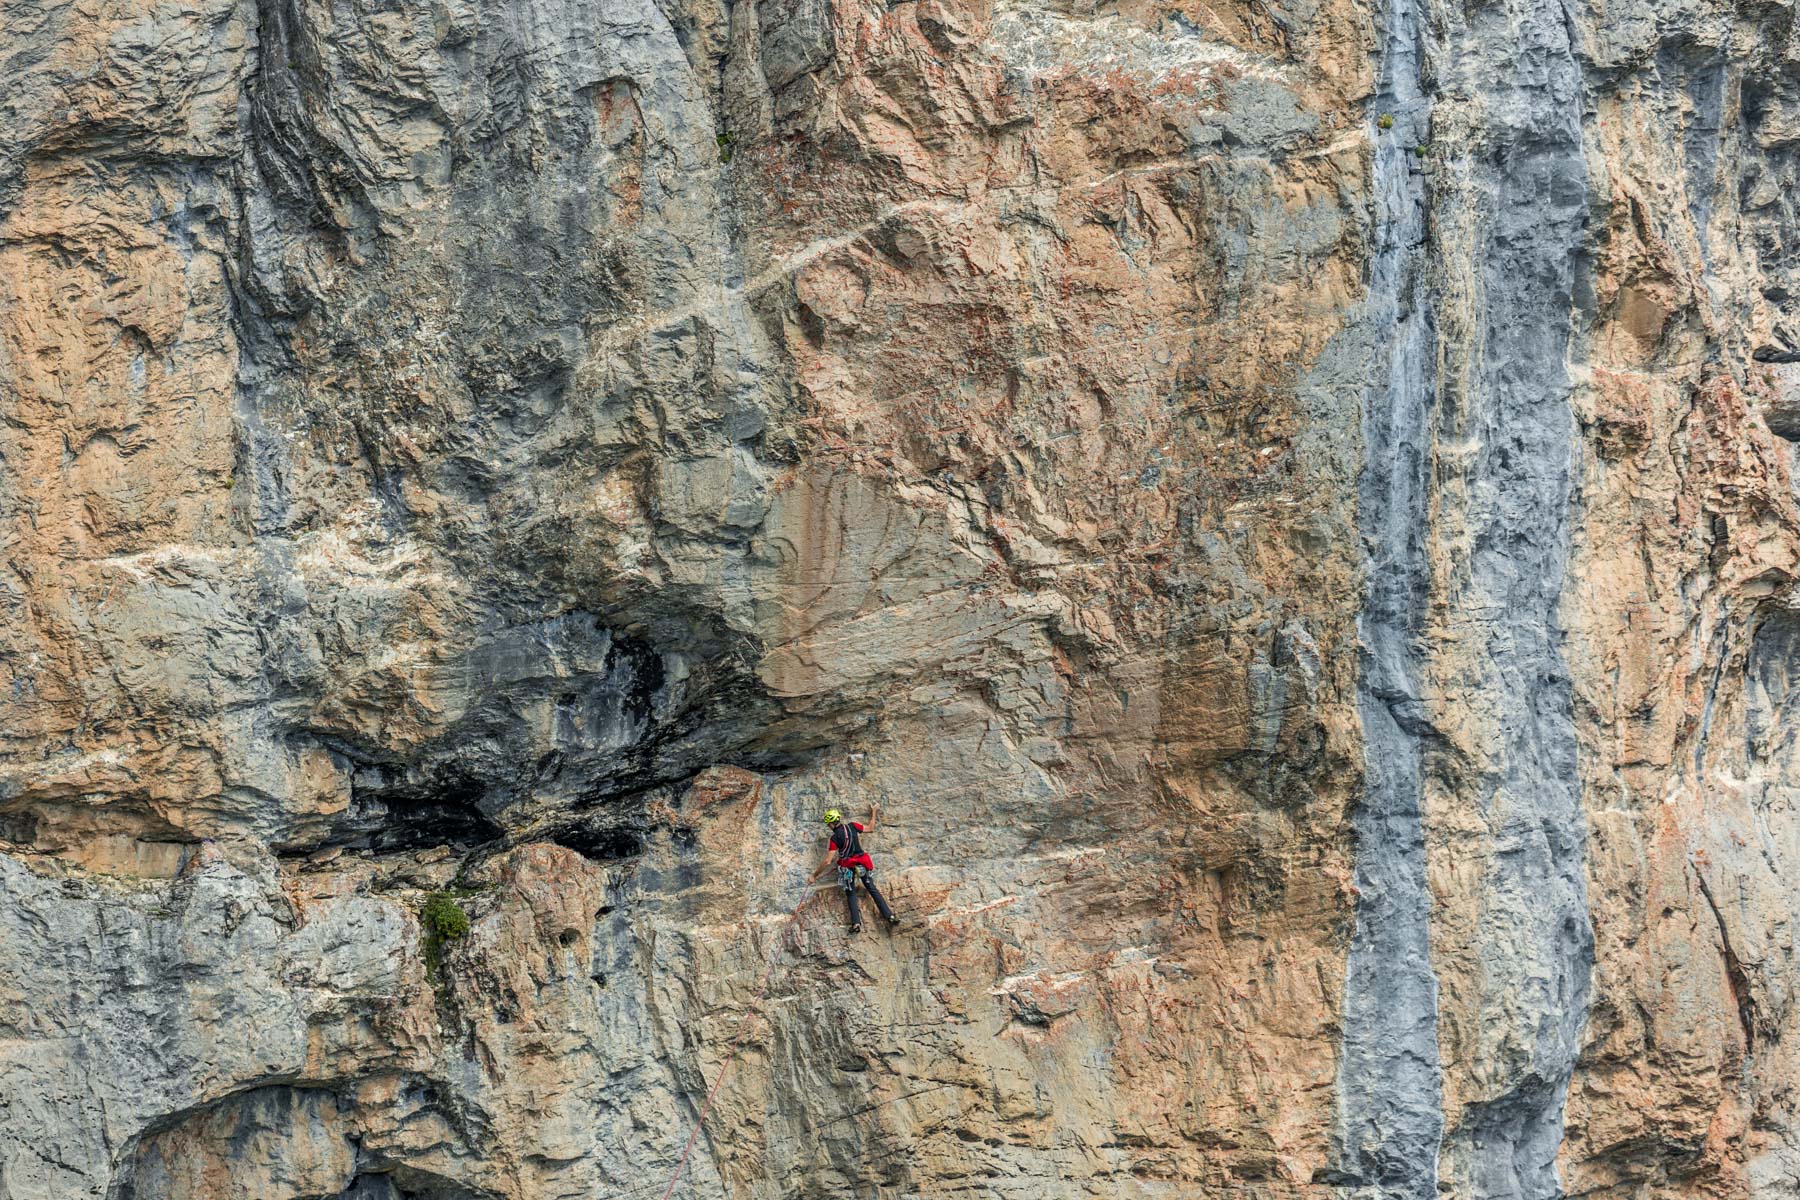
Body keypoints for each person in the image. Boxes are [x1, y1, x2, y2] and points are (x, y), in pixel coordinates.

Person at [811, 804, 898, 934]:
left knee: (851, 893)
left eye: (828, 824)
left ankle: (856, 923)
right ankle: (889, 916)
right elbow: (870, 828)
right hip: (862, 863)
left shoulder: (834, 838)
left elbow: (828, 861)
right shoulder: (853, 826)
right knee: (872, 889)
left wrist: (814, 875)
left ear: (831, 823)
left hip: (848, 867)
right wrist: (874, 811)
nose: (828, 826)